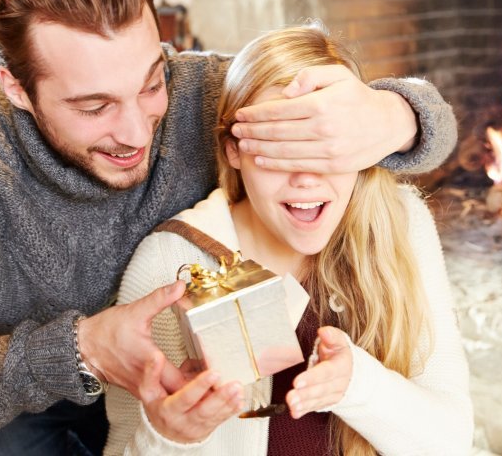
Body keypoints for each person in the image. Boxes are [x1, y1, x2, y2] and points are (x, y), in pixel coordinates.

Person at [0, 0, 458, 455]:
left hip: (175, 401)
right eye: (93, 105)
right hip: (17, 406)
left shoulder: (205, 95)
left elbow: (428, 128)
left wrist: (393, 114)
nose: (134, 132)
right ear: (17, 88)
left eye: (150, 83)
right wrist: (84, 349)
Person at [104, 25, 473, 455]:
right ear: (233, 151)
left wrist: (357, 384)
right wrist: (169, 437)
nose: (305, 178)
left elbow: (450, 442)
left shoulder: (400, 224)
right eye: (278, 149)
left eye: (323, 147)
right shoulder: (174, 264)